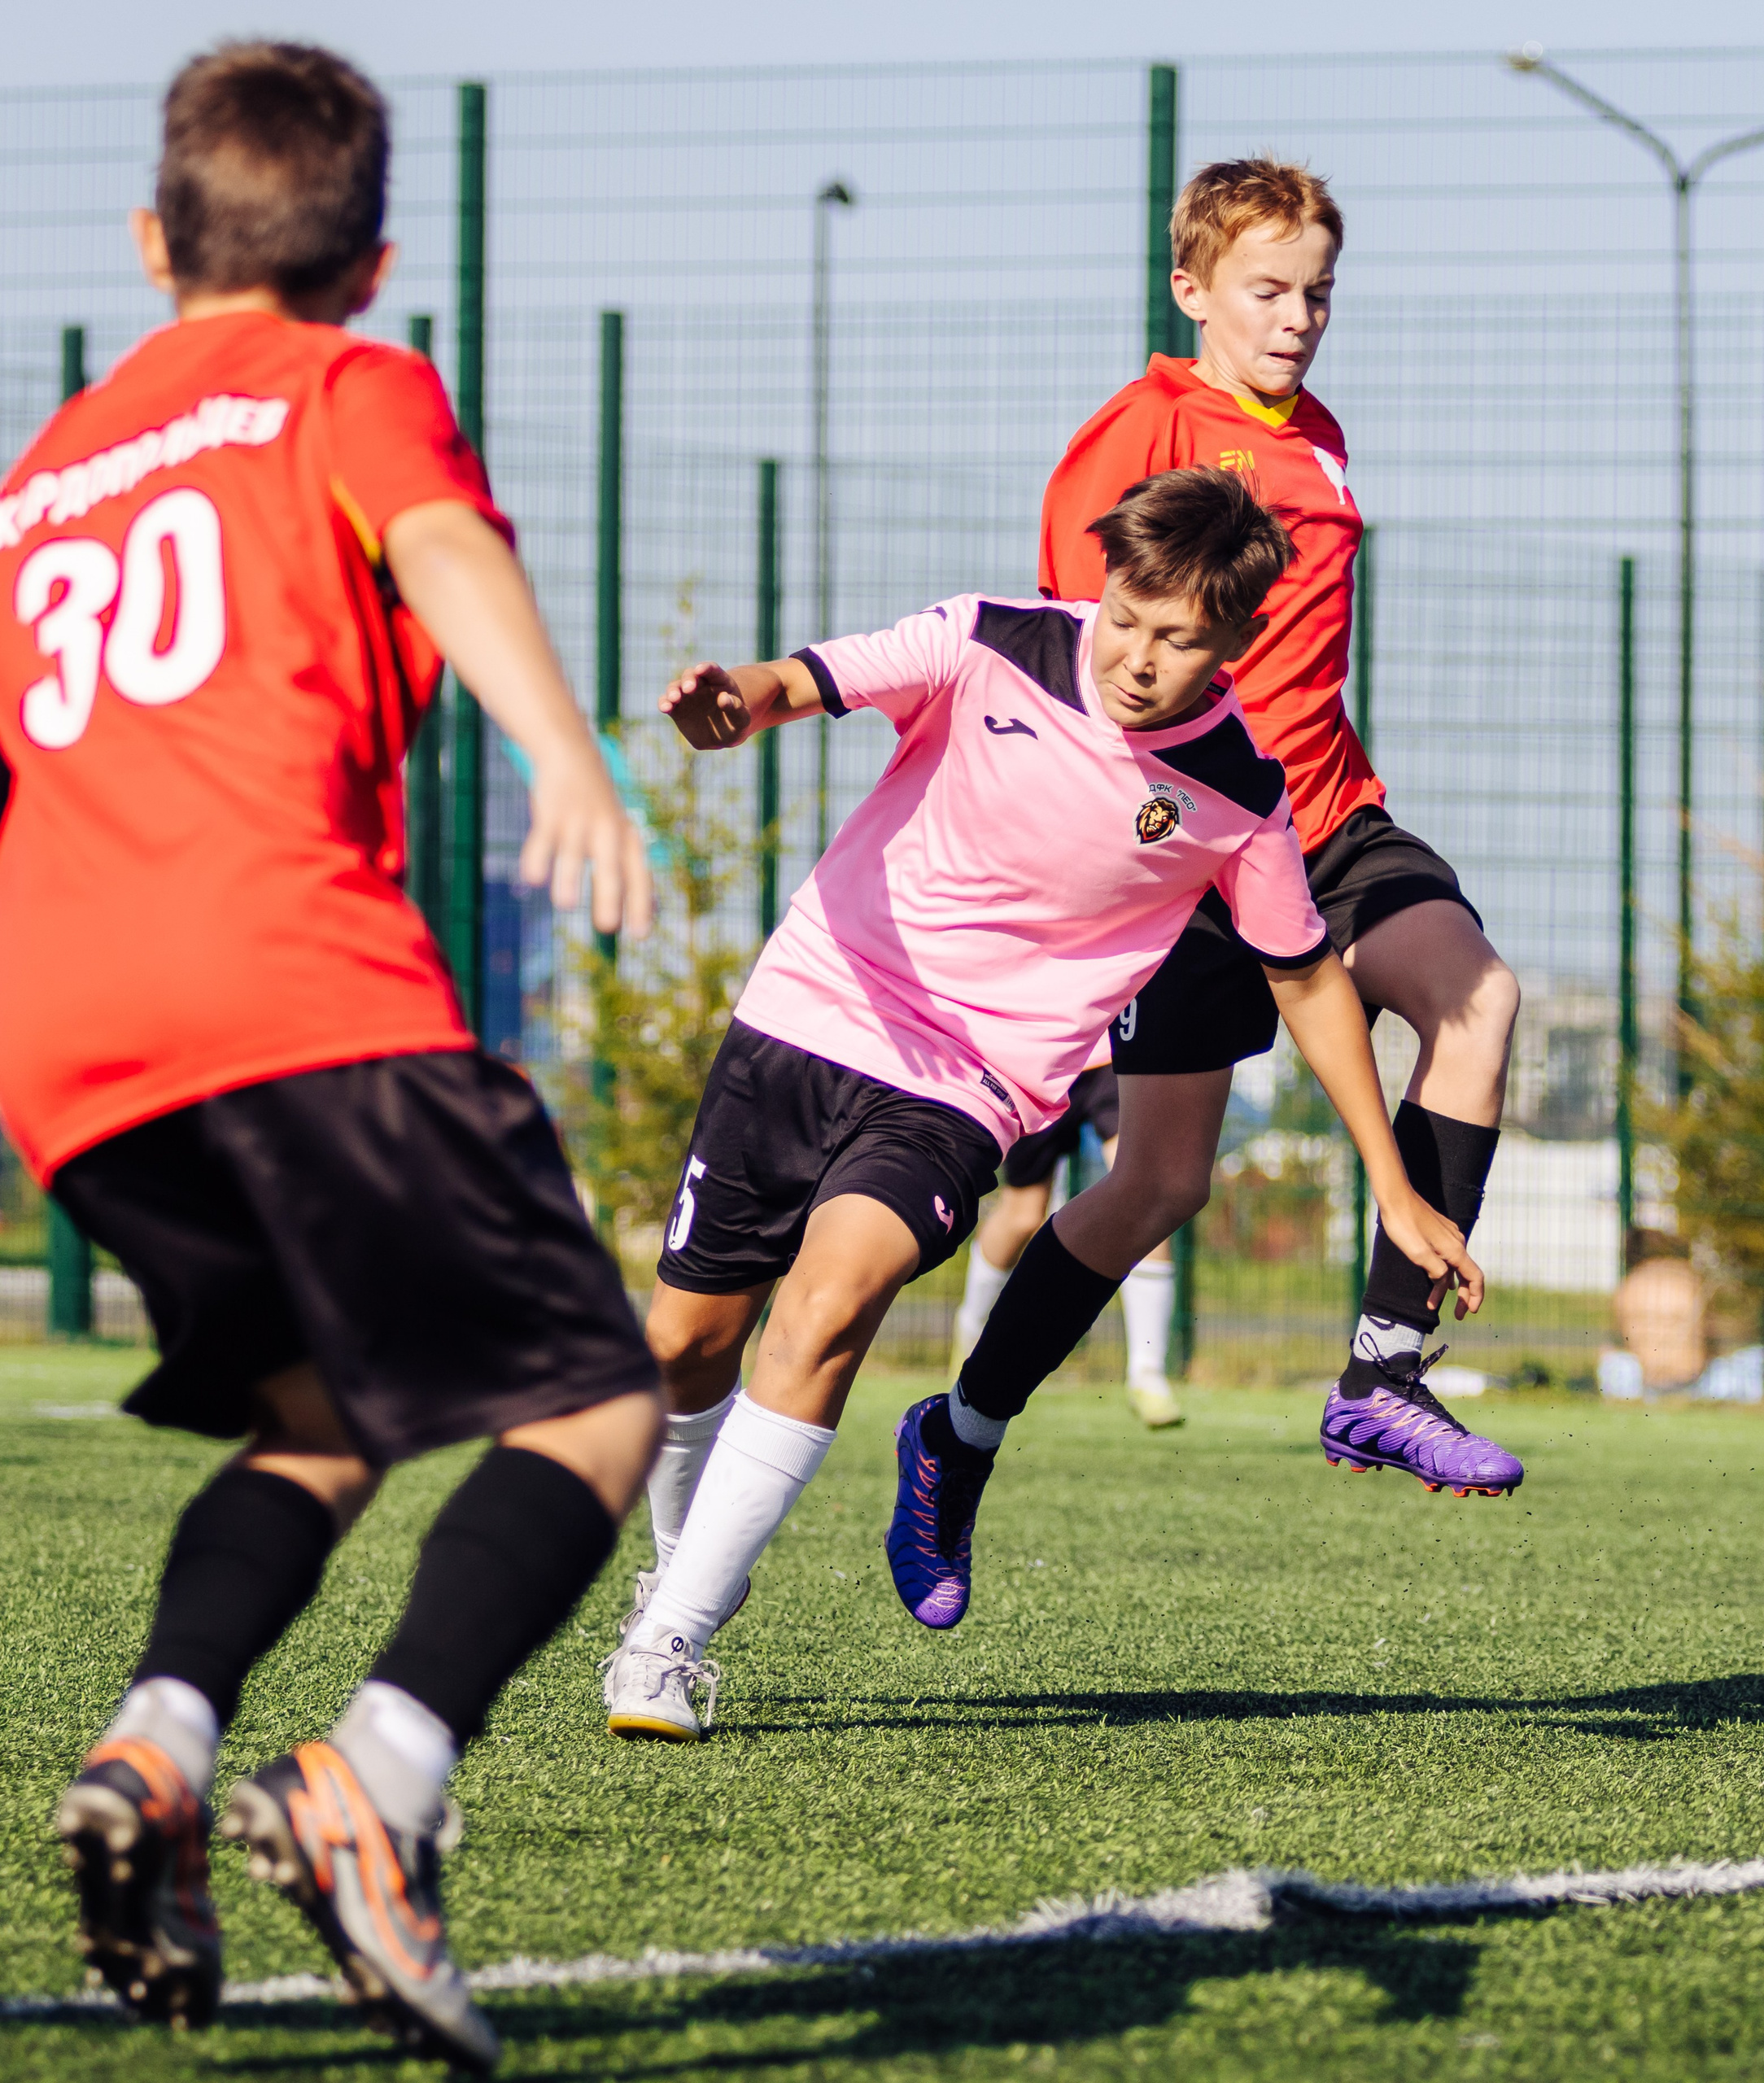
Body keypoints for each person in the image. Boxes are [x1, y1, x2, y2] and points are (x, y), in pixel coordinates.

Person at [0, 42, 658, 2068]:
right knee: (597, 1398)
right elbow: (437, 543)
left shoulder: (39, 473)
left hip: (60, 1032)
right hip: (286, 980)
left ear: (154, 243)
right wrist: (565, 755)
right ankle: (377, 1782)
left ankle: (156, 1747)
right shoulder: (346, 382)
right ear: (377, 255)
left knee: (322, 1418)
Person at [598, 465, 1482, 1740]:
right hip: (806, 1016)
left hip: (968, 1087)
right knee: (684, 1346)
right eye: (1127, 617)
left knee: (834, 1299)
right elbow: (805, 679)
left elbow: (1308, 983)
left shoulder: (1238, 796)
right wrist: (735, 700)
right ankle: (679, 1578)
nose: (1137, 657)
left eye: (1179, 641)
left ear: (1238, 643)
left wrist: (1394, 1186)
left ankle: (670, 1640)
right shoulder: (986, 640)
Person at [946, 155, 1526, 1531]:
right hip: (1184, 854)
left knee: (1479, 995)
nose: (1297, 317)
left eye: (1319, 293)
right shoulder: (1138, 430)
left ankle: (1382, 1374)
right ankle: (962, 1428)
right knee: (1157, 1179)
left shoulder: (1319, 431)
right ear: (1192, 288)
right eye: (1268, 290)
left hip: (1328, 819)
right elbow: (1085, 661)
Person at [947, 1069, 1187, 1429]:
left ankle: (1148, 1373)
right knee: (1023, 1214)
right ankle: (971, 1330)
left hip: (1113, 1059)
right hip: (1047, 1060)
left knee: (1145, 1193)